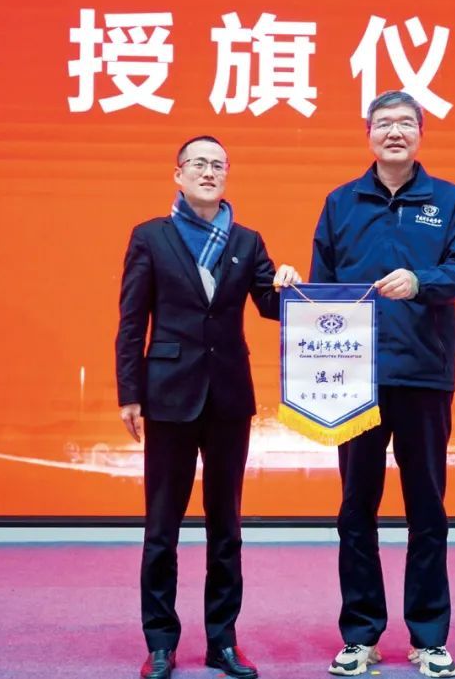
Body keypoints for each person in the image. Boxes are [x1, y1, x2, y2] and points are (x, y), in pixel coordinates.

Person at [310, 91, 455, 678]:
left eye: (405, 123)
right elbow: (323, 289)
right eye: (383, 123)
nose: (394, 132)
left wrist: (421, 281)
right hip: (355, 379)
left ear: (420, 133)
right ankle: (361, 635)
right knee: (355, 508)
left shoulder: (450, 200)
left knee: (426, 508)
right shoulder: (341, 202)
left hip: (423, 374)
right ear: (368, 133)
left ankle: (429, 637)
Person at [116, 135, 300, 679]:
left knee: (226, 526)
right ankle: (160, 643)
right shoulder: (150, 236)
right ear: (178, 174)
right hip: (168, 394)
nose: (208, 171)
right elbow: (132, 321)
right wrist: (129, 392)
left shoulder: (247, 239)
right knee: (162, 526)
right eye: (198, 163)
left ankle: (223, 641)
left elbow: (271, 305)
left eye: (218, 165)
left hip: (228, 397)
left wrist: (287, 284)